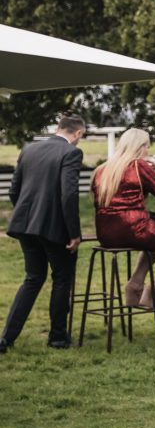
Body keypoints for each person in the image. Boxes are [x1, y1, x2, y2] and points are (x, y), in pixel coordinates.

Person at [1, 113, 87, 352]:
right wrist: (74, 233)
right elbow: (68, 195)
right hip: (53, 227)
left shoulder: (29, 149)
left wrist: (27, 215)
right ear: (78, 133)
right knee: (62, 278)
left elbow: (14, 191)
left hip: (25, 225)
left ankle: (6, 338)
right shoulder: (71, 153)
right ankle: (57, 337)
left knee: (33, 278)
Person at [91, 127, 155, 307]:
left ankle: (135, 284)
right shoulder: (138, 166)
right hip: (133, 229)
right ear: (141, 146)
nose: (148, 151)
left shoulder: (102, 169)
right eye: (147, 147)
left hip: (106, 235)